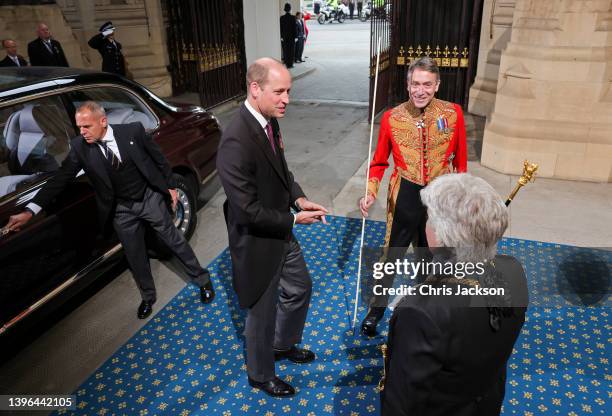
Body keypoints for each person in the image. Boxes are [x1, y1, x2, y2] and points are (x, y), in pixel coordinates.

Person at [6, 101, 215, 320]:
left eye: (87, 126)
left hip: (148, 198)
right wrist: (30, 211)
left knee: (175, 241)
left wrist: (170, 186)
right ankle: (148, 297)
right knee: (135, 255)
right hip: (120, 210)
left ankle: (202, 279)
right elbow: (60, 180)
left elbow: (158, 159)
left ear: (103, 121)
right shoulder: (80, 148)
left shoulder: (132, 131)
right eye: (79, 127)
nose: (82, 132)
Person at [217, 58, 328, 397]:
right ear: (255, 89)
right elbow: (248, 211)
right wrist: (295, 220)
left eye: (289, 92)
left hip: (281, 227)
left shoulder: (269, 120)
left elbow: (281, 170)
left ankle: (282, 345)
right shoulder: (235, 141)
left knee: (300, 288)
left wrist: (299, 198)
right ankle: (260, 375)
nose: (286, 99)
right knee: (261, 313)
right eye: (279, 91)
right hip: (257, 240)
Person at [380, 173, 528, 415]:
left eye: (429, 217)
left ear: (440, 235)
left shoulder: (421, 312)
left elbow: (402, 404)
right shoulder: (513, 271)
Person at [359, 56, 467, 336]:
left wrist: (461, 196)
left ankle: (427, 304)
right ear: (408, 85)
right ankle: (376, 309)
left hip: (439, 196)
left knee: (432, 254)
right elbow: (380, 161)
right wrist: (370, 192)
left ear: (437, 85)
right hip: (405, 192)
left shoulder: (453, 114)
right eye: (415, 84)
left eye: (427, 84)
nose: (421, 90)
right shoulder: (391, 118)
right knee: (391, 254)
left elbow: (461, 162)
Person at [280, 3, 297, 69]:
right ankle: (291, 64)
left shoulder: (281, 18)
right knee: (291, 51)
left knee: (285, 50)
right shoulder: (293, 17)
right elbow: (294, 28)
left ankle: (287, 63)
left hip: (284, 37)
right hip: (292, 37)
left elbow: (280, 28)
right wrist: (295, 37)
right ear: (290, 10)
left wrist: (281, 36)